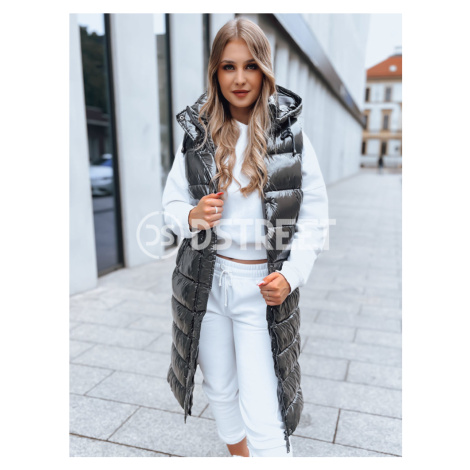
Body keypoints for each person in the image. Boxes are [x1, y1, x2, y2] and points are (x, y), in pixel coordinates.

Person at [162, 18, 329, 457]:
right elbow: (171, 204)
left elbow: (315, 218)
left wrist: (291, 275)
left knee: (264, 410)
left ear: (265, 71)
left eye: (250, 66)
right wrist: (192, 215)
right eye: (228, 67)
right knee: (220, 389)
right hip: (207, 284)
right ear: (215, 73)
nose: (239, 78)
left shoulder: (291, 138)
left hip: (261, 288)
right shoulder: (198, 136)